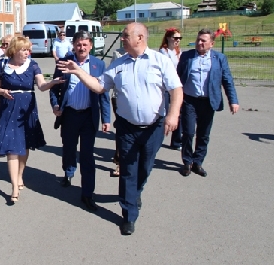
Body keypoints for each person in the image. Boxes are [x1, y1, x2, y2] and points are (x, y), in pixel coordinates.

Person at [56, 22, 183, 235]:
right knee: (128, 170)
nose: (122, 38)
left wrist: (173, 114)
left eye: (125, 35)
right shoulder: (118, 64)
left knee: (145, 168)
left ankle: (135, 193)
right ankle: (129, 214)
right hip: (126, 128)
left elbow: (176, 89)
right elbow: (99, 86)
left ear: (140, 38)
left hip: (154, 127)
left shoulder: (160, 61)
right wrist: (78, 71)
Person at [0, 36, 64, 204]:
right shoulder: (3, 64)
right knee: (11, 148)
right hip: (8, 109)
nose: (27, 53)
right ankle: (14, 186)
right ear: (15, 50)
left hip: (27, 109)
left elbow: (41, 86)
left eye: (28, 50)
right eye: (24, 50)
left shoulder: (33, 65)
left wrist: (53, 82)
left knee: (24, 145)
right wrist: (2, 92)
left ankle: (20, 174)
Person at [50, 31, 111, 211]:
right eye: (78, 44)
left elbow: (103, 93)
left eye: (85, 44)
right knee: (68, 147)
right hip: (69, 114)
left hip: (88, 117)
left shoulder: (99, 64)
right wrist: (55, 104)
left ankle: (87, 193)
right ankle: (68, 172)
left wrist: (106, 118)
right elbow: (54, 87)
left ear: (90, 46)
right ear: (73, 46)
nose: (81, 48)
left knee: (87, 155)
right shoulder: (64, 62)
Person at [176, 29, 239, 178]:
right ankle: (187, 162)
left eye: (203, 41)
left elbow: (227, 80)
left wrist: (233, 100)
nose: (199, 43)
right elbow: (177, 78)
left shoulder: (219, 58)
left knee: (204, 134)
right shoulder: (187, 56)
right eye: (198, 40)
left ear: (212, 44)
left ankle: (197, 162)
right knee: (188, 133)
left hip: (208, 102)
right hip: (189, 100)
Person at [159, 28, 184, 150]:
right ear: (168, 38)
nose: (178, 40)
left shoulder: (179, 52)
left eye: (180, 38)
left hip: (176, 86)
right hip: (165, 88)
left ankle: (176, 141)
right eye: (175, 38)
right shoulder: (163, 52)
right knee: (163, 113)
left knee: (178, 112)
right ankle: (158, 138)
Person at [109, 44, 126, 177]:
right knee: (122, 129)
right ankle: (120, 162)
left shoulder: (147, 56)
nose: (123, 39)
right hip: (118, 97)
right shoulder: (118, 54)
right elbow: (110, 76)